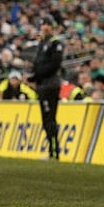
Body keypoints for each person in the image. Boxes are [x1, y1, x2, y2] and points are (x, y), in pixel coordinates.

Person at [28, 14, 63, 160]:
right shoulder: (42, 44)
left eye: (48, 24)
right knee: (46, 119)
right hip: (42, 85)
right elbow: (37, 63)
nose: (45, 27)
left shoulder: (55, 43)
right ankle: (51, 150)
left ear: (52, 27)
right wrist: (33, 76)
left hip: (50, 85)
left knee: (49, 118)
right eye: (43, 24)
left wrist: (36, 76)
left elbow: (54, 65)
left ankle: (54, 152)